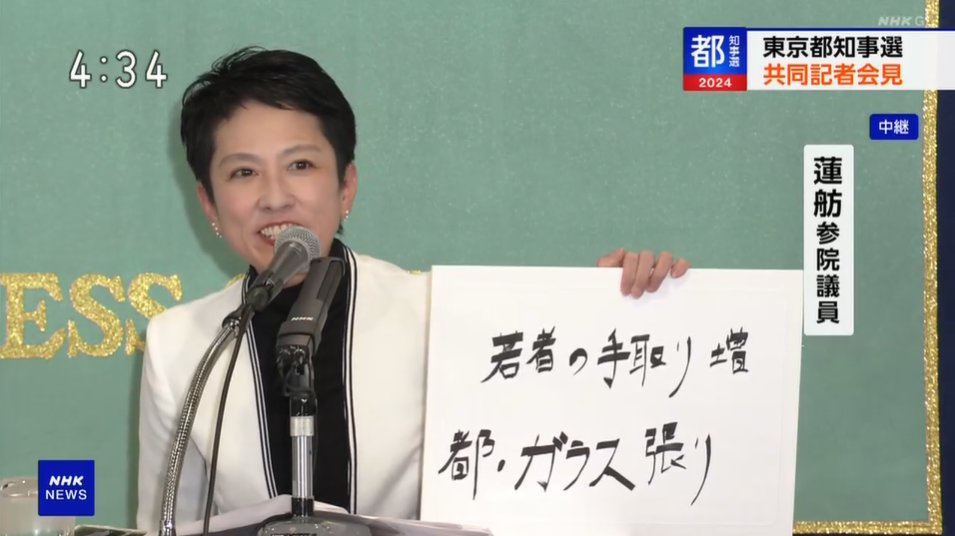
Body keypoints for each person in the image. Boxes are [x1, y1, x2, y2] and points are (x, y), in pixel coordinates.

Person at [135, 46, 690, 531]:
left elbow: (552, 465)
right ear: (209, 204)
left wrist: (614, 312)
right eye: (243, 173)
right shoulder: (181, 346)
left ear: (346, 186)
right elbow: (165, 526)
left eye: (300, 164)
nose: (275, 197)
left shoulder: (438, 314)